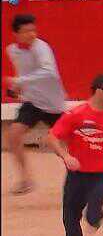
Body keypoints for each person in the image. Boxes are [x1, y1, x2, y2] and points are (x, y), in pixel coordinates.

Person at [47, 74, 103, 236]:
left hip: (98, 176)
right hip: (76, 176)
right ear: (99, 91)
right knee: (70, 217)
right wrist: (65, 156)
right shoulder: (76, 114)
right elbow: (51, 137)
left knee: (93, 217)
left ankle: (97, 214)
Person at [3, 13, 67, 195]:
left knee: (72, 143)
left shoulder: (42, 48)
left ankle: (88, 179)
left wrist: (19, 81)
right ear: (16, 34)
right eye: (26, 31)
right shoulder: (12, 50)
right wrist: (18, 88)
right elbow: (24, 73)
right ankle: (25, 179)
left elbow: (49, 72)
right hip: (33, 102)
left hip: (54, 104)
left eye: (33, 30)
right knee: (13, 135)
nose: (32, 34)